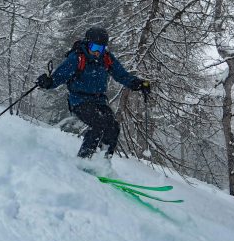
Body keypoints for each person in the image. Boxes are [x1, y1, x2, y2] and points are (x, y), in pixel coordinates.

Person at [36, 26, 150, 159]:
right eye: (94, 47)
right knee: (98, 123)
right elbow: (60, 76)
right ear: (88, 43)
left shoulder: (106, 58)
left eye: (101, 48)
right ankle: (84, 158)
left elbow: (121, 75)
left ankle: (102, 162)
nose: (97, 52)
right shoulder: (77, 58)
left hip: (99, 100)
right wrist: (48, 82)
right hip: (79, 100)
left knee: (113, 127)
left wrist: (137, 83)